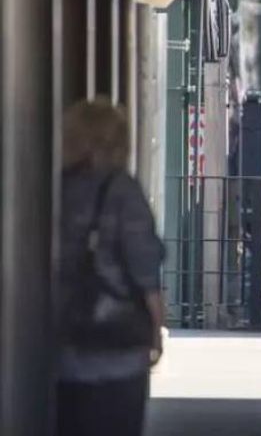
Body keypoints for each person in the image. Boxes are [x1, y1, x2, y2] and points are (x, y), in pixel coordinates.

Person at [57, 98, 165, 436]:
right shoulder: (123, 192)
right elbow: (145, 270)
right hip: (118, 345)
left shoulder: (55, 189)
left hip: (62, 343)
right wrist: (156, 331)